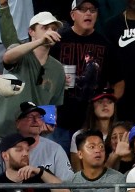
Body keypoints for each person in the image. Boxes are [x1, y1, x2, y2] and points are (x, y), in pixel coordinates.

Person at [0, 10, 65, 158]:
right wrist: (40, 41)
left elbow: (53, 103)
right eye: (44, 28)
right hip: (1, 132)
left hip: (30, 139)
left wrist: (49, 122)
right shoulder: (21, 53)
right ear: (31, 31)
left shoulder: (58, 68)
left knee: (26, 179)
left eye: (53, 29)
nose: (50, 32)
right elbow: (8, 57)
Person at [48, 0, 113, 154]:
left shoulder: (104, 44)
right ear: (72, 15)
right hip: (60, 121)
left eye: (92, 10)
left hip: (91, 122)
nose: (88, 13)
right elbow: (43, 80)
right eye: (83, 9)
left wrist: (106, 110)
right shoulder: (58, 41)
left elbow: (118, 82)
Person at [0, 101, 73, 182]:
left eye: (39, 117)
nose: (36, 121)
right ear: (18, 123)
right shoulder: (4, 154)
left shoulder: (55, 150)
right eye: (30, 117)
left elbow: (68, 186)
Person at [69, 88, 117, 170]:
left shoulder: (122, 134)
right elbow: (77, 173)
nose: (105, 105)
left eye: (110, 102)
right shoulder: (79, 135)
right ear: (92, 106)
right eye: (100, 101)